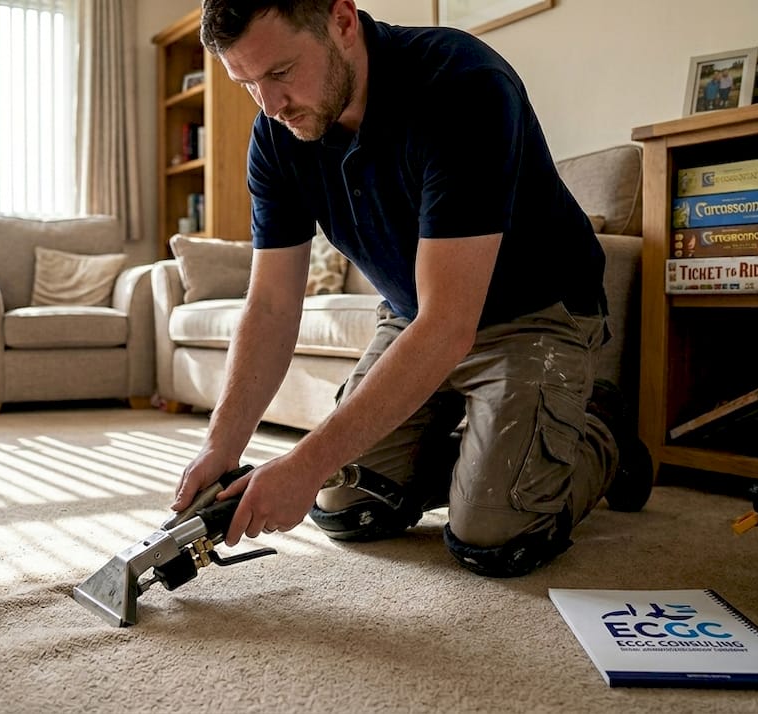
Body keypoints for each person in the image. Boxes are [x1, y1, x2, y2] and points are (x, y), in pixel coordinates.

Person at [170, 0, 652, 579]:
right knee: (348, 507)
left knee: (493, 538)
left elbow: (450, 323)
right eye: (247, 83)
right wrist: (220, 448)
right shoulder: (276, 137)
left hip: (534, 315)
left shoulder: (462, 86)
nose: (270, 106)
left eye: (279, 73)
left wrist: (304, 463)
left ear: (342, 21)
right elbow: (272, 305)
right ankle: (489, 448)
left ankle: (600, 429)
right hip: (412, 317)